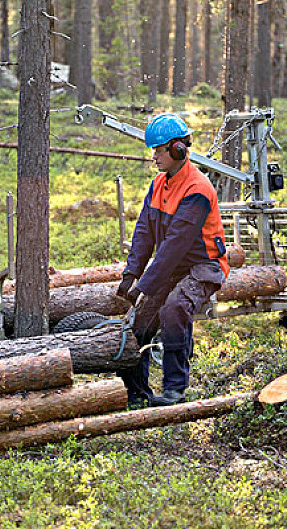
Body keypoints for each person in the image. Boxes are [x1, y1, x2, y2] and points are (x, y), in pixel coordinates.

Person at [116, 113, 230, 407]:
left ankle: (174, 390)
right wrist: (131, 275)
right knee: (139, 323)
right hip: (173, 266)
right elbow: (144, 232)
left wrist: (146, 285)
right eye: (153, 150)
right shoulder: (158, 185)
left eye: (159, 150)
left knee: (173, 309)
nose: (154, 156)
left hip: (203, 267)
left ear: (178, 149)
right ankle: (137, 393)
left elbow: (174, 245)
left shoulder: (197, 189)